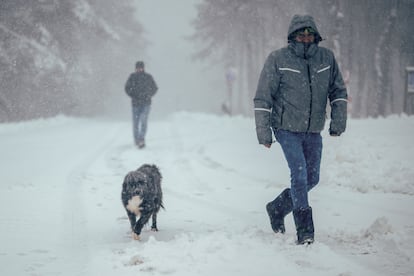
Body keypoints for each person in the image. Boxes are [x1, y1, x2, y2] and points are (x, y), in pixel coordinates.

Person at [253, 14, 348, 245]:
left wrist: (338, 122)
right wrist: (264, 133)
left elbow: (338, 92)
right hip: (286, 128)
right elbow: (263, 98)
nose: (305, 38)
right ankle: (305, 230)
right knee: (300, 174)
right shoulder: (278, 59)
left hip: (313, 129)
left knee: (312, 178)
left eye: (309, 34)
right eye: (300, 34)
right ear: (292, 36)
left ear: (316, 36)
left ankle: (277, 208)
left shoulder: (327, 58)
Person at [125, 61, 158, 148]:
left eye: (141, 67)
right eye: (138, 68)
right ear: (135, 68)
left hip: (146, 104)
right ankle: (137, 140)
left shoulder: (148, 77)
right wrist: (133, 95)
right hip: (135, 104)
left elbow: (155, 88)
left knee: (143, 121)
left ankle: (141, 139)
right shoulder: (132, 77)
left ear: (143, 68)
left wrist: (148, 95)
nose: (139, 69)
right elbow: (127, 88)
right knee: (135, 123)